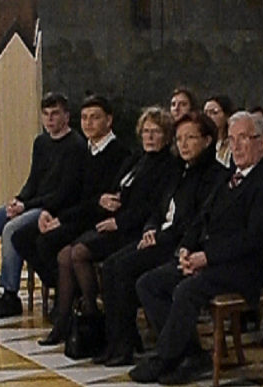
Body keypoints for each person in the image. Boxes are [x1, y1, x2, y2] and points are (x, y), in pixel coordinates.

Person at [132, 110, 263, 385]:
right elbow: (201, 217)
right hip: (212, 259)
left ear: (261, 142)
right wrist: (186, 248)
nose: (236, 146)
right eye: (232, 139)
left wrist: (206, 257)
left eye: (243, 138)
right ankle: (190, 353)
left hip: (245, 267)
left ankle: (165, 357)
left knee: (186, 290)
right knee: (149, 283)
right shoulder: (229, 177)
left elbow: (253, 238)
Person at [43, 102, 171, 354]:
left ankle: (92, 316)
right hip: (115, 220)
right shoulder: (137, 159)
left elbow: (152, 206)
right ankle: (64, 321)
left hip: (131, 228)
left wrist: (119, 221)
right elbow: (118, 187)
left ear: (166, 136)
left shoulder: (167, 165)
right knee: (63, 255)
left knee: (79, 253)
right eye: (146, 131)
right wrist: (110, 201)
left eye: (155, 132)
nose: (149, 137)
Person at [97, 111, 223, 366]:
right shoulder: (180, 169)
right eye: (180, 139)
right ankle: (119, 341)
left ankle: (142, 346)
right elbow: (159, 207)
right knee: (110, 265)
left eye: (190, 138)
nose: (183, 145)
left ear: (207, 140)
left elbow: (193, 221)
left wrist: (160, 236)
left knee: (125, 269)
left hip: (176, 244)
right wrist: (150, 228)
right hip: (160, 235)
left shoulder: (214, 175)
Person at [0, 90, 80, 318]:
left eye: (55, 114)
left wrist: (27, 206)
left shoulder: (75, 145)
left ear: (66, 116)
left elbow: (63, 192)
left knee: (11, 229)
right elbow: (33, 180)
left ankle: (10, 294)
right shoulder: (41, 142)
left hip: (51, 208)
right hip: (32, 203)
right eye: (46, 114)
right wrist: (19, 200)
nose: (49, 119)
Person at [15, 92, 121, 304]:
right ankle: (65, 290)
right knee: (21, 236)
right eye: (84, 118)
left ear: (109, 120)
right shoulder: (87, 150)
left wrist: (61, 219)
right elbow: (70, 191)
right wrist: (49, 212)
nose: (88, 123)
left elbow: (100, 202)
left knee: (46, 242)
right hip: (75, 213)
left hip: (93, 219)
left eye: (95, 117)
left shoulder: (117, 153)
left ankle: (69, 297)